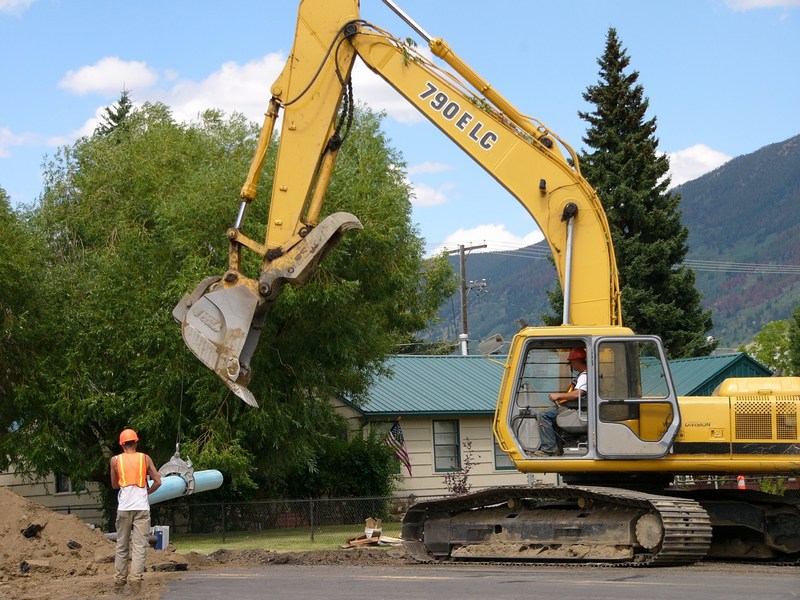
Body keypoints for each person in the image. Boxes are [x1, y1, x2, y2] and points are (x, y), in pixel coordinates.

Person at [110, 428, 162, 590]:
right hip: (142, 508)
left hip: (124, 507)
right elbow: (158, 481)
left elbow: (114, 485)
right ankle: (135, 580)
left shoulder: (115, 460)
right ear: (136, 442)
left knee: (122, 545)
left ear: (121, 444)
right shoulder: (145, 459)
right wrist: (146, 492)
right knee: (140, 546)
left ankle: (119, 582)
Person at [534, 347, 588, 456]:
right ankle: (556, 446)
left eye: (571, 363)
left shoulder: (584, 376)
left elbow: (577, 394)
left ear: (577, 361)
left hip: (577, 409)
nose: (571, 366)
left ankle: (549, 449)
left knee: (543, 415)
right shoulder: (584, 375)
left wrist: (557, 395)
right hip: (576, 407)